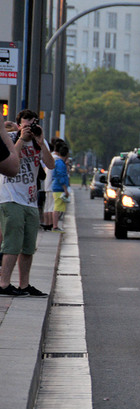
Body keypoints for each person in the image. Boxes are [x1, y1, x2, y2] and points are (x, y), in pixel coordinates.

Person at [0, 109, 55, 297]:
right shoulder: (10, 138)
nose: (29, 127)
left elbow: (50, 165)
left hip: (31, 200)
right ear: (18, 124)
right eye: (25, 124)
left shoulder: (39, 140)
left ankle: (24, 285)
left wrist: (41, 142)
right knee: (12, 244)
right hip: (11, 197)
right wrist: (21, 140)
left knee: (28, 247)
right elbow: (9, 161)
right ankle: (4, 284)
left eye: (32, 123)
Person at [51, 144, 71, 232]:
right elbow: (60, 177)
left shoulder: (60, 163)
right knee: (57, 207)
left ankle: (56, 225)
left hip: (58, 187)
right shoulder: (60, 164)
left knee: (59, 207)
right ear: (67, 154)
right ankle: (55, 226)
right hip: (59, 188)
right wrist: (65, 189)